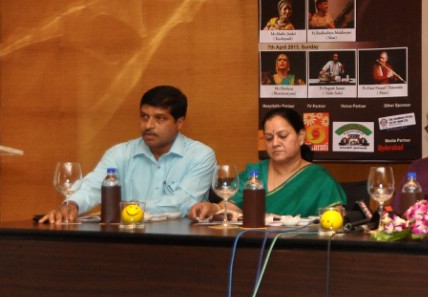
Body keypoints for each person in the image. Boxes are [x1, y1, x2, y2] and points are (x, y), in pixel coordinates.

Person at [39, 86, 216, 224]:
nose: (149, 125)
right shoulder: (120, 153)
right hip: (125, 240)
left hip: (178, 243)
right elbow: (92, 186)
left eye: (160, 118)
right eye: (144, 117)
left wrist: (124, 208)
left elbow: (183, 203)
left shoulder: (200, 155)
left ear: (179, 122)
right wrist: (71, 205)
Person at [189, 108, 345, 220]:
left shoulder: (318, 178)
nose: (275, 143)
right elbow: (231, 206)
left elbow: (333, 217)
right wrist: (211, 208)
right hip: (252, 246)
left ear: (301, 136)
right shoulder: (255, 171)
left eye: (282, 136)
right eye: (269, 138)